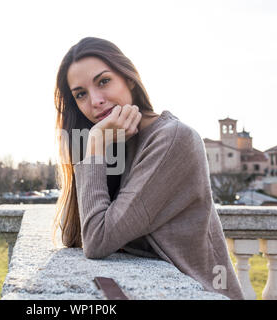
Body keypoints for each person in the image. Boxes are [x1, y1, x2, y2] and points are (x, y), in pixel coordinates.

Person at [53, 37, 244, 300]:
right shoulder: (117, 140)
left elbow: (97, 240)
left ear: (129, 78)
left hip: (201, 291)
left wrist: (95, 146)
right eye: (81, 94)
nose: (95, 100)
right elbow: (77, 233)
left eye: (104, 81)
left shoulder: (172, 139)